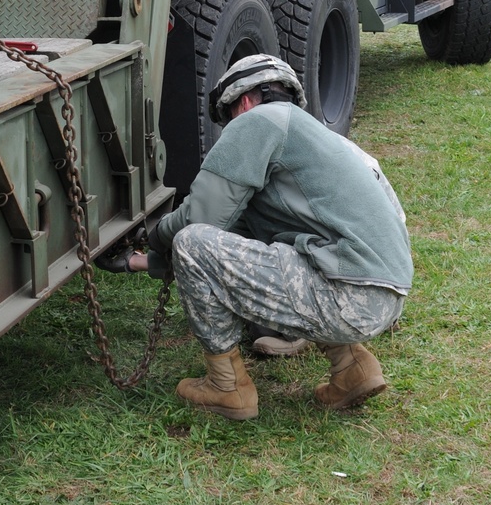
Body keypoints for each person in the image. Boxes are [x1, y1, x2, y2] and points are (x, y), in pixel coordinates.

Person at [109, 54, 412, 420]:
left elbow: (199, 223)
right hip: (383, 295)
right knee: (288, 251)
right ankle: (353, 369)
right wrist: (138, 262)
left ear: (244, 101)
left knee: (191, 241)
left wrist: (156, 234)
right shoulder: (314, 143)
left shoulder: (257, 122)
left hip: (350, 295)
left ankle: (227, 388)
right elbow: (231, 240)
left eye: (228, 120)